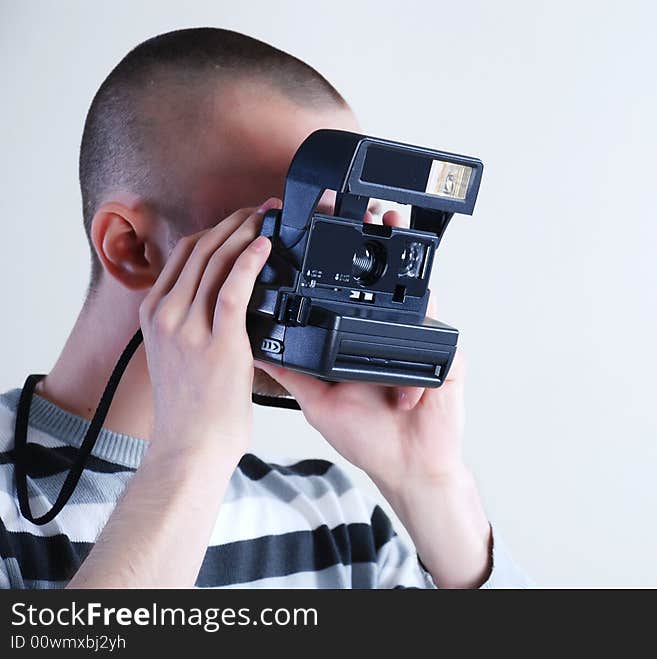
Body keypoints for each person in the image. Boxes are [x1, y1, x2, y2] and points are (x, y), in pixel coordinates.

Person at [0, 28, 529, 589]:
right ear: (131, 248)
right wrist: (189, 458)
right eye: (299, 224)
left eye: (354, 225)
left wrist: (430, 486)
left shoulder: (341, 524)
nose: (342, 267)